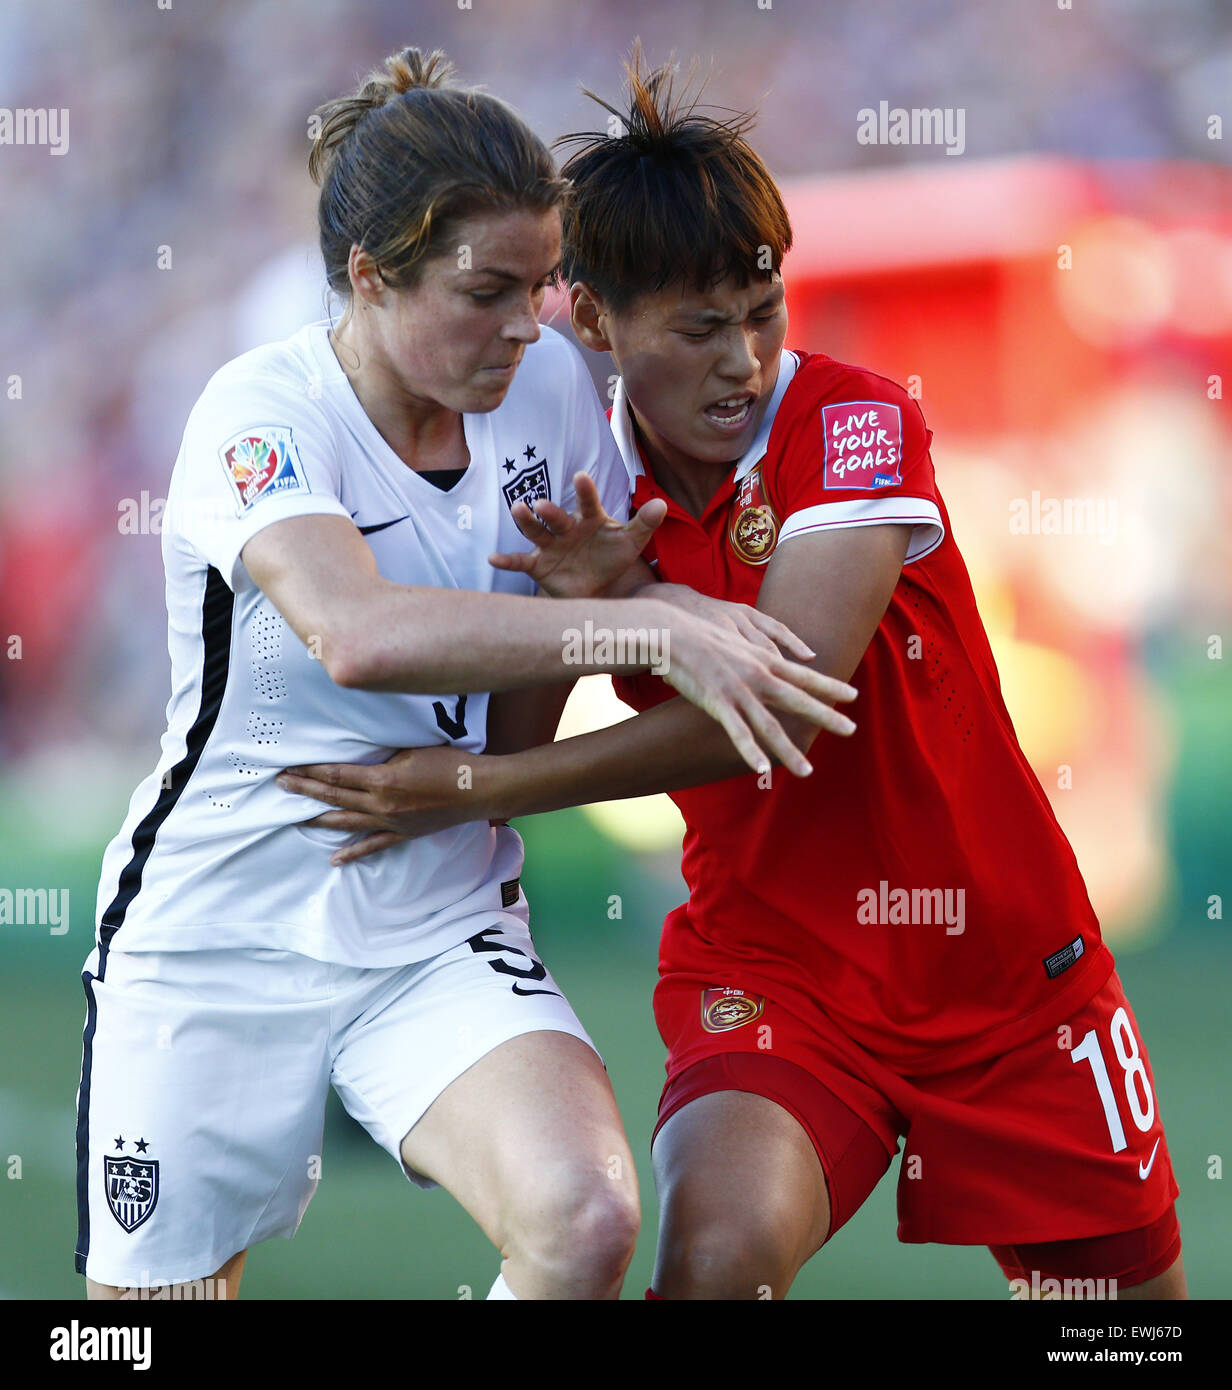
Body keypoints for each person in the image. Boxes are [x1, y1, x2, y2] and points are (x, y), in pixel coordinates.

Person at [282, 51, 1186, 1301]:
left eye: (760, 314)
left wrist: (497, 770)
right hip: (773, 973)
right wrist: (570, 600)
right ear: (592, 318)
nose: (743, 360)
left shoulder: (854, 422)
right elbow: (519, 709)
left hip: (1002, 977)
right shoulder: (579, 478)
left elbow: (786, 696)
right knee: (714, 1264)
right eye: (697, 327)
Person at [75, 46, 856, 1303]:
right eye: (488, 289)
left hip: (433, 913)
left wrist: (584, 596)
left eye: (544, 285)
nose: (528, 325)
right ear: (371, 278)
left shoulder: (541, 388)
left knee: (585, 1217)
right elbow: (358, 633)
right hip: (221, 926)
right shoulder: (259, 410)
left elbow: (496, 734)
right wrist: (646, 630)